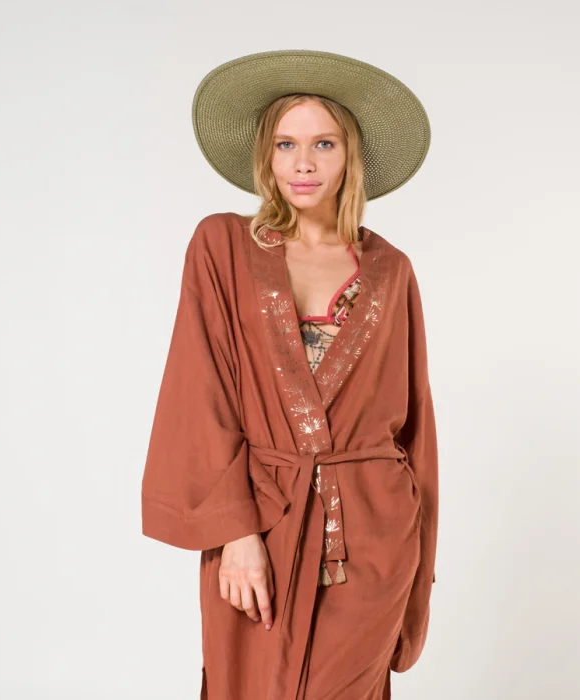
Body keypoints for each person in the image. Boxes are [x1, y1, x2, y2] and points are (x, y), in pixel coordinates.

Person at [141, 49, 439, 700]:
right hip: (263, 522)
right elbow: (202, 393)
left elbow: (415, 430)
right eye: (286, 144)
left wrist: (417, 566)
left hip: (373, 537)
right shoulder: (222, 246)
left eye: (323, 143)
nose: (303, 163)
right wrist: (236, 532)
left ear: (350, 155)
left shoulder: (391, 269)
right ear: (266, 156)